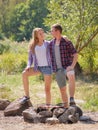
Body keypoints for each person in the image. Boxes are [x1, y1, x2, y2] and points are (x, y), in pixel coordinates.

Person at [20, 28, 52, 105]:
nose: (42, 35)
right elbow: (30, 59)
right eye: (40, 34)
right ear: (36, 36)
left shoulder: (48, 44)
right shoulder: (32, 46)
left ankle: (48, 106)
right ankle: (27, 96)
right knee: (24, 73)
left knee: (47, 89)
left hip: (47, 68)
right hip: (38, 68)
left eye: (43, 33)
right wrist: (28, 66)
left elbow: (58, 43)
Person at [49, 23, 78, 107]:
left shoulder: (66, 42)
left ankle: (72, 98)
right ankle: (66, 106)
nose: (51, 32)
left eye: (52, 31)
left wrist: (72, 66)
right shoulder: (51, 43)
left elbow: (75, 54)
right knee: (62, 89)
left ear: (57, 31)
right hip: (57, 69)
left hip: (67, 66)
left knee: (71, 74)